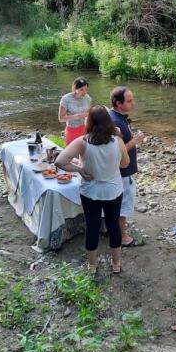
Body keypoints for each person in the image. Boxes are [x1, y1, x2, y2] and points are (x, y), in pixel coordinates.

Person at [55, 105, 130, 273]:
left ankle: (92, 266)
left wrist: (80, 169)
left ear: (88, 121)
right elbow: (125, 164)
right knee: (113, 226)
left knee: (92, 227)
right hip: (113, 191)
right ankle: (116, 265)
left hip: (90, 192)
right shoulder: (117, 141)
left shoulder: (83, 142)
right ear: (108, 121)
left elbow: (60, 161)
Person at [109, 87, 145, 247]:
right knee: (123, 204)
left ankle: (115, 230)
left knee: (118, 203)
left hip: (120, 171)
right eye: (129, 101)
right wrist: (135, 141)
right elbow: (117, 150)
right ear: (118, 103)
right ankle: (122, 237)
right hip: (122, 172)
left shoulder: (117, 116)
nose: (133, 104)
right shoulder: (115, 121)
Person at [59, 77, 91, 146]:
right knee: (71, 155)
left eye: (86, 89)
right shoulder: (66, 99)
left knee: (84, 154)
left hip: (84, 130)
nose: (84, 92)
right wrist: (76, 116)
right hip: (71, 130)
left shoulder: (88, 98)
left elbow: (89, 113)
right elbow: (61, 118)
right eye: (81, 89)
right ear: (75, 89)